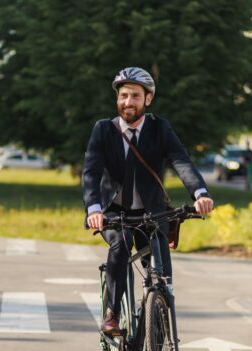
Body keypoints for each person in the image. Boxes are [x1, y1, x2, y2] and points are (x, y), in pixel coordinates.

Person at [82, 67, 214, 336]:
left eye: (134, 96)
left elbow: (181, 161)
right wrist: (94, 208)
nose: (127, 102)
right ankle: (113, 314)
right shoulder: (103, 130)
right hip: (113, 213)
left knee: (161, 277)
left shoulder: (159, 127)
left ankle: (154, 342)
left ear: (148, 99)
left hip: (151, 214)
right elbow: (91, 172)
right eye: (123, 96)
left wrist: (200, 193)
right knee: (120, 245)